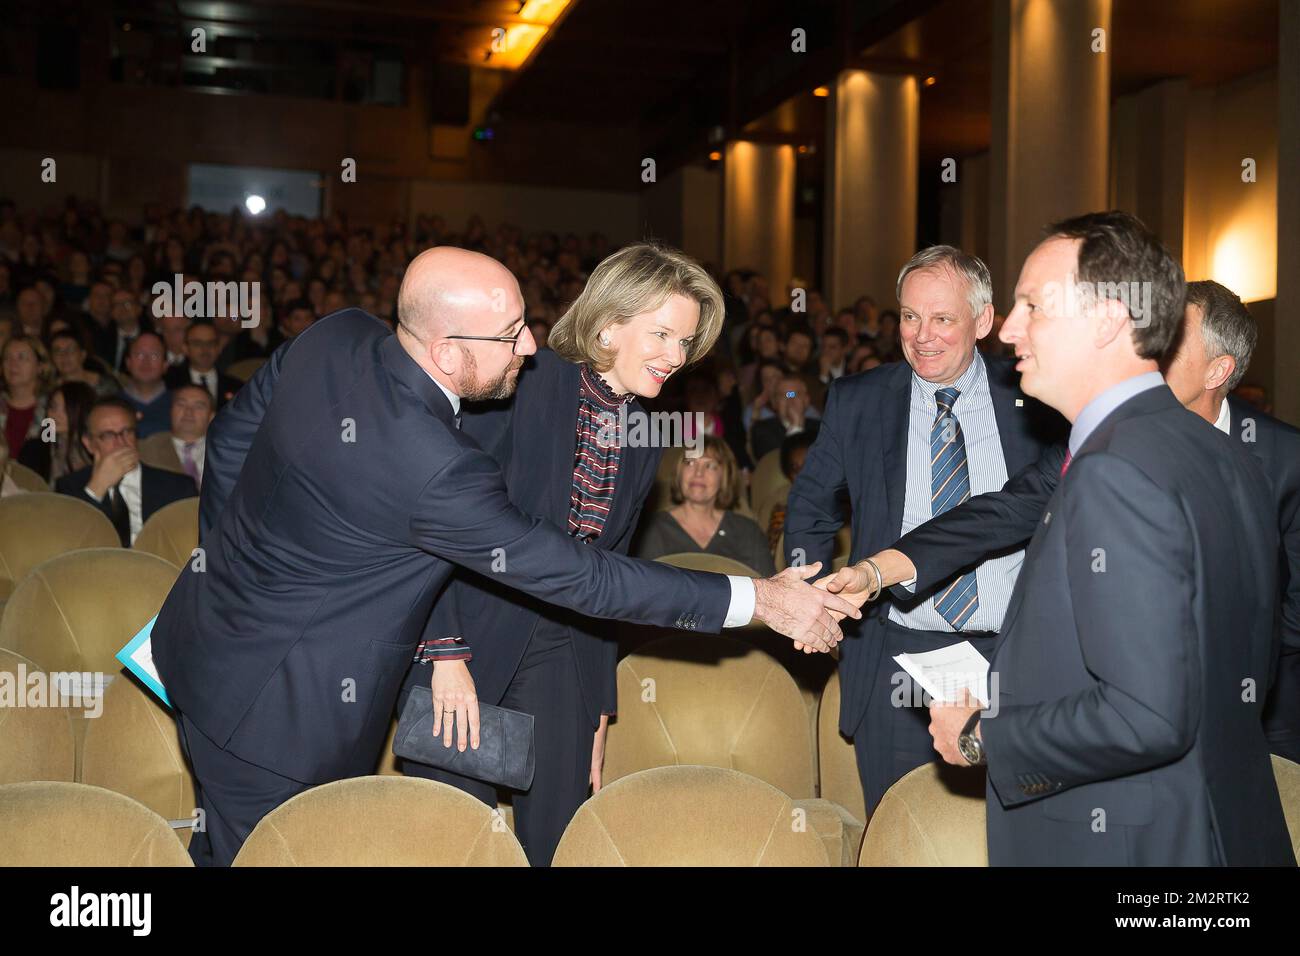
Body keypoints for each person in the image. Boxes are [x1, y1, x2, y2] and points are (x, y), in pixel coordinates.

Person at [150, 246, 858, 867]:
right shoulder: (473, 425)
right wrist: (759, 599)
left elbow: (235, 436)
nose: (529, 343)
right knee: (367, 843)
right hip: (313, 693)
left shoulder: (341, 333)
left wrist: (231, 565)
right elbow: (538, 560)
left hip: (224, 640)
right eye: (511, 332)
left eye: (688, 342)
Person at [883, 211, 1288, 865]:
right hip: (1212, 825)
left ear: (1108, 320)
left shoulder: (1114, 469)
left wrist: (986, 733)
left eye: (1033, 306)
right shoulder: (1224, 452)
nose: (1010, 329)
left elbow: (1146, 713)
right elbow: (1230, 671)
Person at [849, 279, 1300, 767]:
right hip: (1122, 716)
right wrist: (878, 571)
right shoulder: (1103, 434)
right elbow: (1002, 510)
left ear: (1218, 369)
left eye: (1166, 347)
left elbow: (1290, 611)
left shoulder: (1282, 460)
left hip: (1257, 718)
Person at [398, 244, 738, 865]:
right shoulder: (521, 383)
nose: (676, 357)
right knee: (458, 835)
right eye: (662, 334)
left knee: (557, 836)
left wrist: (597, 705)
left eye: (685, 343)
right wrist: (444, 652)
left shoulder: (641, 432)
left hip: (564, 648)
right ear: (608, 324)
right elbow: (437, 522)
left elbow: (608, 576)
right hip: (470, 633)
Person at [783, 245, 1062, 814]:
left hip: (1013, 652)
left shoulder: (1037, 394)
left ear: (983, 321)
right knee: (898, 832)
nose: (922, 335)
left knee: (1013, 834)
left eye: (942, 318)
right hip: (897, 657)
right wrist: (804, 594)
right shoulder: (860, 400)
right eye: (910, 316)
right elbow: (811, 506)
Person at [55, 396, 197, 546]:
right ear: (89, 444)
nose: (121, 442)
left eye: (127, 432)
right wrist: (97, 488)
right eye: (108, 435)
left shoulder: (178, 487)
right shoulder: (69, 487)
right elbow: (67, 543)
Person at [636, 435, 776, 576]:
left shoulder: (748, 532)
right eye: (690, 463)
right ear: (679, 473)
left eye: (710, 466)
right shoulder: (651, 530)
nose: (698, 473)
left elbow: (771, 590)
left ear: (724, 476)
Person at [138, 383, 215, 487]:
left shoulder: (226, 452)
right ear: (170, 411)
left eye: (198, 406)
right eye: (181, 404)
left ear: (211, 416)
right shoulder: (145, 450)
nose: (188, 412)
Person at [18, 380, 95, 485]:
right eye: (53, 407)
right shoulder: (34, 449)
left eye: (65, 409)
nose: (55, 414)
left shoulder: (94, 452)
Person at [164, 320, 242, 408]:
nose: (205, 349)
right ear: (185, 348)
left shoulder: (237, 387)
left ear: (219, 348)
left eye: (210, 343)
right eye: (197, 343)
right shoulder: (168, 383)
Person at [749, 372, 820, 463]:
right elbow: (779, 465)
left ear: (806, 400)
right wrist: (796, 428)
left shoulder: (821, 428)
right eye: (784, 395)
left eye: (795, 394)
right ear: (774, 403)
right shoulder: (762, 430)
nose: (790, 399)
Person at [1, 334, 51, 460]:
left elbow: (51, 453)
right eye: (7, 358)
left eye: (21, 357)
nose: (13, 364)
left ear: (40, 366)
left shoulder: (51, 410)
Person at [119, 332, 172, 438]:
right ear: (128, 363)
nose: (146, 362)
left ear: (165, 364)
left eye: (154, 355)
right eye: (139, 354)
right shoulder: (113, 404)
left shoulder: (179, 404)